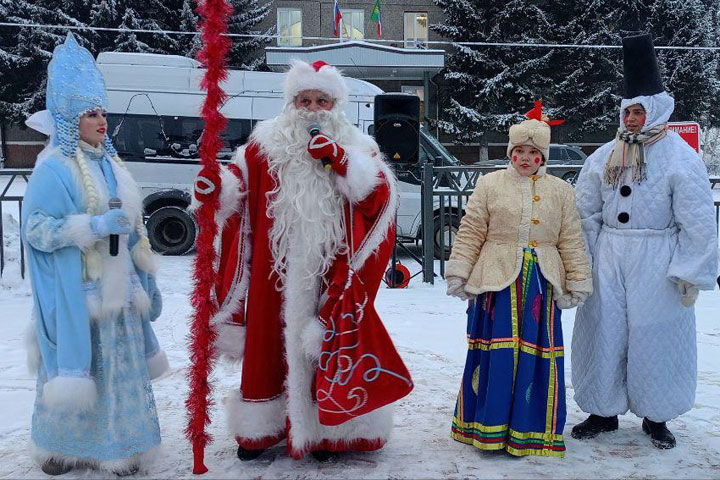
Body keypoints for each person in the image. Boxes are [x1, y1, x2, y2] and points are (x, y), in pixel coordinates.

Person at [189, 60, 412, 462]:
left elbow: (378, 201)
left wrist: (342, 163)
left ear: (336, 104)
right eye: (304, 100)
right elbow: (236, 187)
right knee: (268, 345)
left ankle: (328, 432)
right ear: (291, 103)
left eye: (322, 100)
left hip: (331, 270)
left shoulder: (358, 146)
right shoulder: (262, 146)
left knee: (324, 346)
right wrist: (215, 188)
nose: (312, 109)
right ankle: (261, 430)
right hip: (272, 271)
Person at [22, 33, 168, 476]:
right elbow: (36, 230)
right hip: (80, 295)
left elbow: (135, 228)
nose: (102, 120)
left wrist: (145, 270)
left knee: (116, 375)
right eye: (91, 113)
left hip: (119, 291)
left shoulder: (111, 163)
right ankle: (61, 449)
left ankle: (121, 449)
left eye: (102, 111)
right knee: (77, 369)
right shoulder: (52, 169)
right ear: (70, 118)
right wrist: (92, 227)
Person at [571, 33, 718, 449]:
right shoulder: (603, 157)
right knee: (603, 331)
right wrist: (582, 262)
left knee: (656, 335)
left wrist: (690, 272)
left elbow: (698, 220)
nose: (632, 119)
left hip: (658, 258)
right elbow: (585, 214)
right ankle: (602, 411)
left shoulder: (680, 158)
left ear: (655, 111)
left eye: (639, 111)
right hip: (610, 254)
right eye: (628, 112)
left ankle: (657, 417)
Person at [445, 105, 592, 457]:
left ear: (543, 156)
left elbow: (570, 238)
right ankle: (488, 429)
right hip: (496, 283)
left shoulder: (561, 191)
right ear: (510, 152)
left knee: (536, 356)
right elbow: (471, 230)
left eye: (533, 153)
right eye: (519, 151)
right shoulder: (490, 184)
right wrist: (459, 271)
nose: (525, 159)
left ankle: (531, 431)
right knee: (496, 355)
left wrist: (578, 280)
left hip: (540, 285)